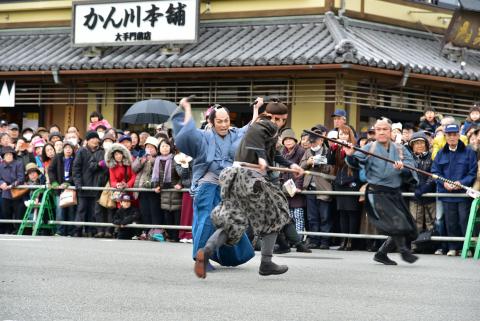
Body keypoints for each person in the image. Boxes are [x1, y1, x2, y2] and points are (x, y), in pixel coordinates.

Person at [194, 99, 304, 278]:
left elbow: (274, 154)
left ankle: (206, 251)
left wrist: (291, 165)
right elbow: (255, 137)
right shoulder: (263, 125)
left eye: (283, 120)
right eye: (280, 119)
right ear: (273, 116)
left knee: (233, 220)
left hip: (236, 178)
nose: (281, 123)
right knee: (276, 215)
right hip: (250, 178)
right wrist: (260, 158)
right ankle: (266, 262)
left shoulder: (266, 128)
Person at [172, 96, 261, 268]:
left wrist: (256, 109)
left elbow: (251, 127)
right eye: (219, 121)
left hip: (227, 187)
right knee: (206, 220)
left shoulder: (235, 134)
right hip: (208, 184)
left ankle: (228, 256)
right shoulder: (203, 136)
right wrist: (187, 108)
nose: (223, 124)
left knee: (227, 221)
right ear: (212, 122)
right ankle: (201, 257)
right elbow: (187, 134)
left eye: (226, 120)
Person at [344, 117, 419, 265]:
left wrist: (402, 168)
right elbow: (355, 163)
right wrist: (350, 154)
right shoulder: (369, 148)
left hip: (395, 192)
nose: (382, 132)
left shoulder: (400, 149)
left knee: (409, 226)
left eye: (385, 129)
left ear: (390, 132)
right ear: (375, 131)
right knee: (397, 222)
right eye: (378, 129)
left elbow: (411, 168)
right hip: (377, 193)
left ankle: (381, 253)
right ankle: (404, 251)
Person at [431, 124, 477, 256]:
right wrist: (444, 182)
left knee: (464, 220)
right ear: (445, 136)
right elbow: (435, 172)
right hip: (447, 193)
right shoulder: (440, 153)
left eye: (454, 134)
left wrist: (461, 183)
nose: (452, 137)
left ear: (459, 135)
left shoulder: (469, 152)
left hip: (463, 194)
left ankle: (466, 247)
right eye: (449, 134)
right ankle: (453, 247)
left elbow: (472, 173)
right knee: (450, 221)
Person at [300, 126, 334, 250]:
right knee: (312, 216)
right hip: (310, 187)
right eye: (311, 142)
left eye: (315, 141)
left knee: (325, 216)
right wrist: (308, 163)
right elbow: (300, 166)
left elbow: (332, 170)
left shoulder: (328, 151)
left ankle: (325, 241)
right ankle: (314, 240)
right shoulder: (307, 152)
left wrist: (322, 164)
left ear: (321, 141)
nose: (313, 144)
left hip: (324, 187)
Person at [329, 125, 362, 251]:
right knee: (342, 213)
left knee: (352, 213)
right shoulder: (337, 148)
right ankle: (343, 240)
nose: (342, 136)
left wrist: (349, 152)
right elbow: (330, 162)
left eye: (345, 134)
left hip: (352, 183)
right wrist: (333, 149)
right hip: (340, 183)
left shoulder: (355, 148)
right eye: (340, 134)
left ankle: (350, 241)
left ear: (350, 135)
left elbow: (356, 164)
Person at [408, 132, 436, 242]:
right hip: (414, 195)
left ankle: (432, 246)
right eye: (416, 143)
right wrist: (415, 187)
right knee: (415, 222)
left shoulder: (432, 156)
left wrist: (426, 187)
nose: (419, 145)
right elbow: (407, 175)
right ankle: (415, 245)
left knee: (431, 222)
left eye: (421, 143)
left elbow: (434, 174)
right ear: (412, 146)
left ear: (426, 144)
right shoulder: (409, 159)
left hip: (430, 194)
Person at [152, 139, 182, 242]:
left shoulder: (176, 159)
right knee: (167, 214)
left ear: (170, 147)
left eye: (167, 146)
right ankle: (169, 235)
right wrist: (155, 185)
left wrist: (180, 183)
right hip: (163, 191)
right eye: (162, 146)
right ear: (159, 149)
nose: (165, 148)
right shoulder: (157, 160)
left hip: (175, 191)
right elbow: (155, 176)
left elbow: (183, 174)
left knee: (176, 214)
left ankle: (176, 236)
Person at [73, 131, 101, 237]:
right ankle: (77, 230)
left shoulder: (101, 151)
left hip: (96, 186)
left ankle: (91, 230)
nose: (94, 140)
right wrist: (78, 183)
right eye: (92, 138)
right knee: (81, 209)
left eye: (96, 138)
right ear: (87, 141)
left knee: (93, 210)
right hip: (84, 186)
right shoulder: (81, 151)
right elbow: (76, 169)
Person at [132, 136, 160, 239]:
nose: (149, 149)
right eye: (147, 147)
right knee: (144, 212)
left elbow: (158, 169)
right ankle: (146, 232)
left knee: (154, 211)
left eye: (152, 147)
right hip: (142, 188)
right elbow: (134, 169)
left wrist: (151, 160)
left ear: (156, 149)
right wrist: (142, 160)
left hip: (153, 189)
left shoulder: (158, 158)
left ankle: (156, 233)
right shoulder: (141, 157)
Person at [89, 133, 115, 238]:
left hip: (110, 184)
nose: (107, 143)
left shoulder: (115, 153)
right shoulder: (97, 153)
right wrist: (99, 164)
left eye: (110, 141)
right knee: (98, 209)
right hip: (98, 184)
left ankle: (109, 230)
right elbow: (90, 166)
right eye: (106, 141)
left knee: (110, 207)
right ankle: (100, 230)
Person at [48, 142, 76, 237]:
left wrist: (69, 182)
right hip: (59, 189)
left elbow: (76, 173)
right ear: (63, 149)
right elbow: (50, 170)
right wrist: (54, 182)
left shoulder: (75, 158)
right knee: (60, 210)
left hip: (71, 188)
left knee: (71, 210)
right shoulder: (57, 157)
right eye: (66, 148)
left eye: (70, 148)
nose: (68, 149)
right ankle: (60, 231)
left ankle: (70, 232)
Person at [0, 146, 25, 234]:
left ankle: (18, 230)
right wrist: (1, 183)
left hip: (17, 192)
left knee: (18, 212)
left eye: (10, 154)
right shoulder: (1, 166)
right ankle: (8, 230)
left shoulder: (19, 163)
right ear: (3, 156)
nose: (9, 156)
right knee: (6, 212)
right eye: (6, 155)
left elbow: (21, 178)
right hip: (5, 193)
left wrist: (12, 185)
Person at [105, 143, 136, 209]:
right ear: (113, 156)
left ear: (123, 154)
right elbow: (112, 181)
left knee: (133, 209)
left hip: (131, 190)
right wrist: (117, 185)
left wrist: (127, 185)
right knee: (122, 210)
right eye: (116, 154)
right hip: (120, 192)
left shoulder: (129, 162)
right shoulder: (112, 167)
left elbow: (134, 176)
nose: (118, 156)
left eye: (120, 154)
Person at [175, 150, 194, 243]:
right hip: (187, 187)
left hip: (198, 186)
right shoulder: (177, 158)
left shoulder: (195, 155)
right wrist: (185, 165)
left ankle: (193, 235)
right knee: (186, 212)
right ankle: (185, 234)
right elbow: (182, 175)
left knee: (196, 213)